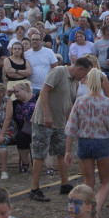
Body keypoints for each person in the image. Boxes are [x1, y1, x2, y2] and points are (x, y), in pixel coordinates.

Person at [28, 57, 90, 202]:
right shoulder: (58, 72)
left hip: (60, 123)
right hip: (44, 122)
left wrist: (70, 122)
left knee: (62, 152)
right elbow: (44, 92)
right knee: (40, 154)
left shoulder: (73, 81)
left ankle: (64, 184)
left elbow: (68, 102)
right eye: (84, 73)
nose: (84, 77)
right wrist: (47, 114)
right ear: (79, 69)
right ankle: (34, 189)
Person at [65, 69, 109, 211]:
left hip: (84, 142)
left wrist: (67, 151)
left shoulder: (80, 101)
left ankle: (86, 209)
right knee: (106, 181)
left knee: (88, 182)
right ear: (101, 83)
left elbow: (71, 127)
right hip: (103, 142)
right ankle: (96, 209)